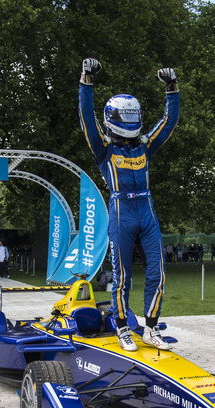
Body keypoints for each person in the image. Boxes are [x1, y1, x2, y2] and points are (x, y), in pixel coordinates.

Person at [78, 57, 179, 352]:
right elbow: (86, 117)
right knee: (123, 275)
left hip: (146, 210)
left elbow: (169, 122)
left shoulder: (146, 145)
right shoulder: (103, 149)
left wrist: (171, 89)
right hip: (120, 211)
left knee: (157, 271)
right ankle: (122, 328)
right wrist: (86, 80)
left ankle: (150, 328)